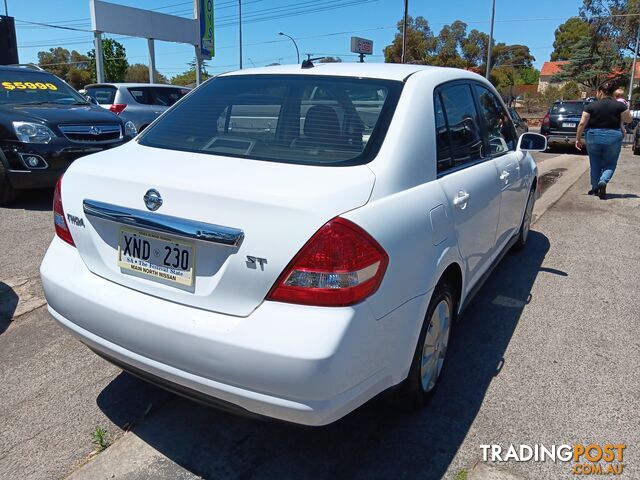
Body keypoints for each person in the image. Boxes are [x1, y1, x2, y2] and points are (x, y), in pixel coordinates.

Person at [576, 83, 632, 199]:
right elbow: (628, 119)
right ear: (612, 93)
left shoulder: (591, 106)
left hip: (593, 135)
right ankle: (603, 181)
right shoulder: (619, 106)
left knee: (595, 162)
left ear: (600, 92)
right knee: (610, 163)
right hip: (613, 136)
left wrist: (578, 138)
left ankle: (595, 188)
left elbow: (582, 123)